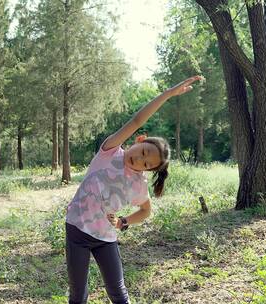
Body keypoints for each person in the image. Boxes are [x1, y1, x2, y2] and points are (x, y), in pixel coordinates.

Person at [65, 75, 204, 304]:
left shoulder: (139, 184)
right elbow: (137, 119)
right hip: (77, 230)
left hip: (105, 238)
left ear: (148, 170)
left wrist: (123, 222)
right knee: (78, 295)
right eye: (142, 152)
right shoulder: (110, 151)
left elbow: (146, 210)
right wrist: (168, 94)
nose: (139, 160)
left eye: (146, 163)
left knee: (118, 293)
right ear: (139, 140)